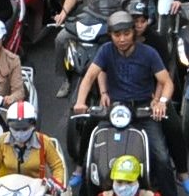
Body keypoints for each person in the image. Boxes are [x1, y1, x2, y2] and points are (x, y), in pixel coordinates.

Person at [72, 13, 178, 196]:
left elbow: (167, 82)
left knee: (161, 156)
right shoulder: (106, 50)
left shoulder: (149, 53)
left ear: (133, 33)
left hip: (143, 109)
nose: (121, 39)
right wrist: (80, 102)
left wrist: (161, 103)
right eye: (116, 35)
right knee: (93, 144)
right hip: (116, 109)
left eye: (126, 34)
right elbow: (89, 77)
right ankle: (81, 171)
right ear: (111, 35)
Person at [51, 0, 134, 95]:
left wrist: (126, 14)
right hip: (90, 14)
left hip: (114, 16)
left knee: (125, 43)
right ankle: (66, 79)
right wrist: (64, 12)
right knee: (61, 39)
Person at [0, 102, 64, 194]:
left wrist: (56, 184)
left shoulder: (45, 142)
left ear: (33, 125)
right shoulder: (2, 141)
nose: (20, 132)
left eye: (24, 128)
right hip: (5, 190)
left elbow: (57, 166)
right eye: (16, 128)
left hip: (36, 191)